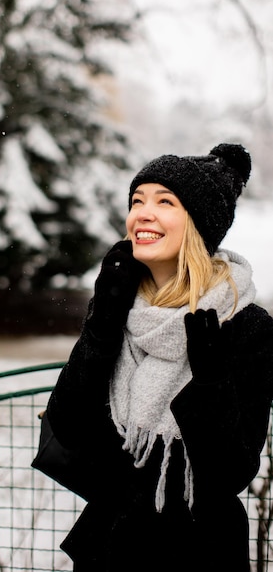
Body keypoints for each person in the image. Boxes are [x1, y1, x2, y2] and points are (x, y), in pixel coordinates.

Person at [46, 143, 273, 572]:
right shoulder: (120, 311)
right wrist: (101, 327)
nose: (142, 213)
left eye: (164, 201)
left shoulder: (247, 326)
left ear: (199, 223)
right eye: (137, 200)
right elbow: (70, 427)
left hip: (198, 552)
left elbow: (231, 472)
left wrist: (210, 382)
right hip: (111, 546)